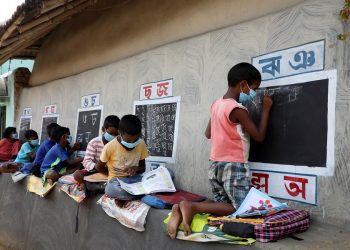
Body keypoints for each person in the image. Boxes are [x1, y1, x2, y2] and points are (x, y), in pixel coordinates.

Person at [167, 62, 273, 239]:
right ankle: (193, 207)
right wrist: (266, 109)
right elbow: (259, 136)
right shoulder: (238, 109)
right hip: (234, 166)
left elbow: (208, 133)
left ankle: (181, 208)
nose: (254, 94)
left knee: (221, 206)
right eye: (254, 89)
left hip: (215, 164)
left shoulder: (217, 104)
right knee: (242, 209)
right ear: (243, 85)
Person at [96, 114, 148, 207]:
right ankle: (144, 194)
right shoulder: (110, 147)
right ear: (120, 132)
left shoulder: (141, 144)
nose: (132, 143)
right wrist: (113, 176)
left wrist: (136, 169)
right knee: (110, 189)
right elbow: (99, 167)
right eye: (128, 140)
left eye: (135, 140)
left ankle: (129, 196)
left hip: (134, 180)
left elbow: (143, 168)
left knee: (168, 173)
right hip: (117, 182)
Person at [73, 115, 120, 185]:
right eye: (110, 134)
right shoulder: (94, 143)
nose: (113, 136)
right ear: (103, 129)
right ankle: (91, 185)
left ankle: (94, 185)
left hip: (111, 172)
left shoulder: (118, 144)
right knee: (77, 174)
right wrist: (97, 167)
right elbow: (86, 161)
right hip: (95, 170)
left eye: (116, 134)